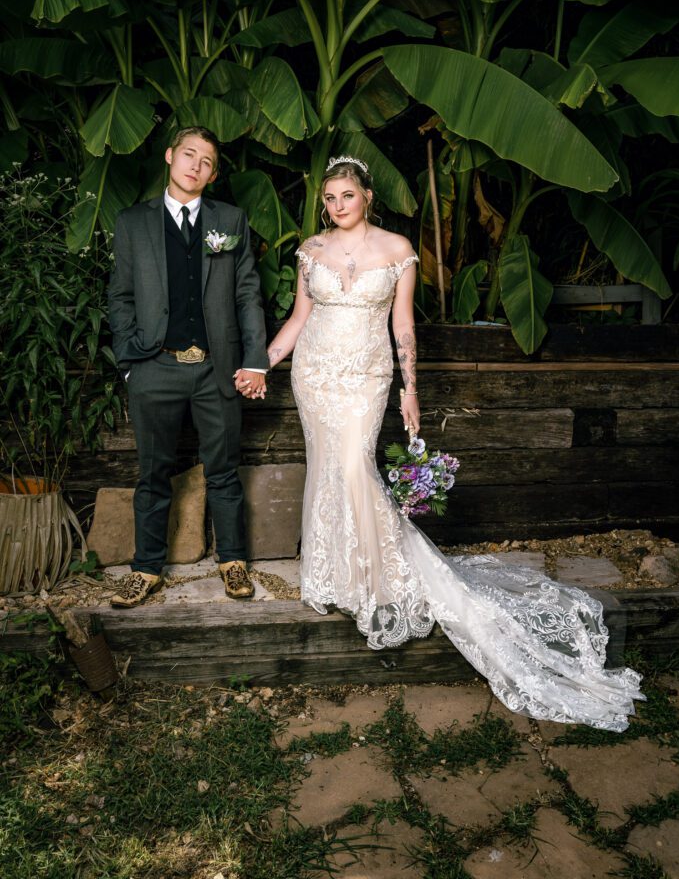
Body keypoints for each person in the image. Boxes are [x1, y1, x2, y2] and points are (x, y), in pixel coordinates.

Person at [267, 155, 644, 732]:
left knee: (354, 465)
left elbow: (402, 326)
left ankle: (380, 576)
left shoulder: (397, 250)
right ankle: (337, 575)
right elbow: (298, 318)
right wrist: (261, 362)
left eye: (346, 195)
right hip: (314, 373)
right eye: (329, 199)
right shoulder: (310, 251)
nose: (336, 206)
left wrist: (409, 390)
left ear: (367, 195)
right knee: (327, 466)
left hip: (367, 377)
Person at [108, 126, 269, 608]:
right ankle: (146, 568)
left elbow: (246, 294)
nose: (196, 165)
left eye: (206, 161)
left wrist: (255, 360)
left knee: (223, 470)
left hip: (215, 368)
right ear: (169, 156)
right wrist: (130, 361)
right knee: (152, 473)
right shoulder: (133, 221)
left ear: (213, 173)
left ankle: (233, 560)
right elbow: (120, 296)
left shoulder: (231, 220)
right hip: (154, 367)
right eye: (189, 155)